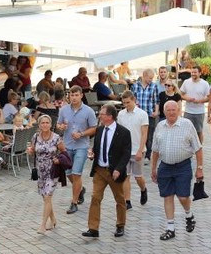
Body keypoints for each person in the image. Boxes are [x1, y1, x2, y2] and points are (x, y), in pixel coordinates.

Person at [150, 101, 204, 241]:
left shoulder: (187, 124)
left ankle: (189, 214)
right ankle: (170, 228)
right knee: (167, 196)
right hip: (165, 166)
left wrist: (199, 168)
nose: (171, 112)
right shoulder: (160, 126)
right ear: (164, 111)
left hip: (183, 166)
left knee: (183, 196)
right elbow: (155, 150)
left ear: (179, 110)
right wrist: (153, 168)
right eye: (168, 110)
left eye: (174, 110)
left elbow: (198, 148)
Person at [82, 105, 132, 239]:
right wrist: (93, 154)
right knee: (95, 197)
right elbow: (97, 147)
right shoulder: (99, 130)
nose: (100, 116)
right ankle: (93, 228)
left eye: (102, 114)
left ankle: (120, 225)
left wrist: (118, 169)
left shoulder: (123, 132)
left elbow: (126, 154)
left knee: (120, 199)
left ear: (110, 116)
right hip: (99, 170)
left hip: (114, 171)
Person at [56, 86, 97, 214]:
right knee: (68, 173)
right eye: (71, 95)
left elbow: (94, 128)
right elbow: (58, 125)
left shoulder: (88, 111)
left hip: (82, 146)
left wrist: (82, 134)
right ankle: (80, 189)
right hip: (67, 145)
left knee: (76, 173)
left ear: (81, 95)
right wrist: (61, 127)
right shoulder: (63, 110)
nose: (73, 97)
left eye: (76, 95)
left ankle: (74, 203)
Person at [27, 114, 66, 234]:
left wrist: (59, 159)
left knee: (48, 196)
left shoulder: (56, 138)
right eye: (42, 123)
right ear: (39, 125)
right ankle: (53, 219)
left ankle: (43, 225)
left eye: (47, 123)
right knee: (45, 197)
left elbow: (64, 152)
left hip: (53, 170)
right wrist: (29, 151)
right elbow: (33, 151)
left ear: (51, 124)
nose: (45, 125)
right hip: (40, 171)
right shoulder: (35, 137)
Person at [117, 90, 149, 209]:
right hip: (125, 151)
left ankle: (143, 189)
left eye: (128, 102)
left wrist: (141, 150)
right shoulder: (121, 114)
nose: (126, 105)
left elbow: (144, 134)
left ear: (134, 100)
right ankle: (127, 201)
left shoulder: (142, 114)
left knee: (138, 176)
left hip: (137, 149)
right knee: (125, 176)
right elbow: (119, 132)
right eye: (124, 103)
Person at [131, 68, 160, 159]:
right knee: (138, 134)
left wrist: (156, 111)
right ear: (144, 76)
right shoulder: (135, 86)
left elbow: (156, 100)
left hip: (149, 115)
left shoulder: (153, 86)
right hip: (138, 115)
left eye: (152, 78)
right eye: (150, 78)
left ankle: (147, 155)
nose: (151, 80)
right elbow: (132, 100)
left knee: (149, 135)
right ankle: (138, 151)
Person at [180, 65, 210, 143]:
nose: (193, 74)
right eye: (192, 72)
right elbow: (180, 94)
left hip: (199, 112)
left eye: (195, 72)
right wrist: (187, 98)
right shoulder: (186, 82)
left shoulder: (205, 84)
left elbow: (209, 97)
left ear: (200, 73)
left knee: (199, 131)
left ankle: (199, 148)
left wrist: (200, 101)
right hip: (188, 111)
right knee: (186, 131)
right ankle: (187, 147)